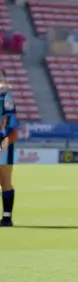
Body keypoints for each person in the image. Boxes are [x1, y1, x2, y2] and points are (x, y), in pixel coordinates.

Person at [0, 68, 18, 225]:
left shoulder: (5, 95)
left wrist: (4, 141)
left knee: (4, 179)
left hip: (3, 142)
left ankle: (7, 217)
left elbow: (11, 119)